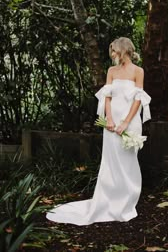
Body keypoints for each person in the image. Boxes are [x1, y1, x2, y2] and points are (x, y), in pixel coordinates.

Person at [46, 37, 151, 226]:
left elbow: (138, 100)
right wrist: (109, 120)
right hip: (111, 123)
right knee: (111, 162)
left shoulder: (138, 71)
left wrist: (126, 122)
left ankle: (126, 202)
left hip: (130, 121)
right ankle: (109, 200)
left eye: (114, 51)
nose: (112, 55)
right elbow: (107, 97)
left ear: (124, 50)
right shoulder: (111, 71)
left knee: (128, 161)